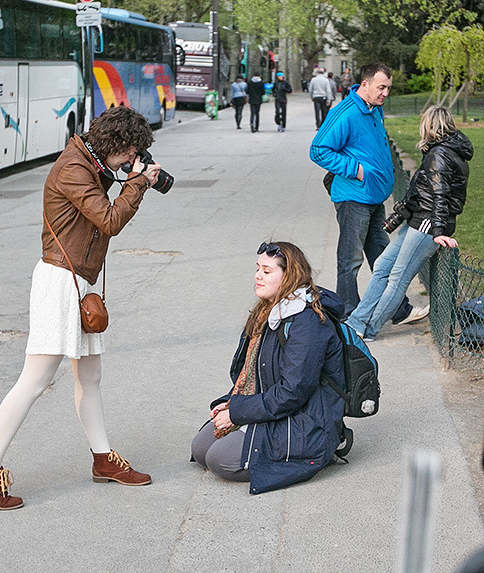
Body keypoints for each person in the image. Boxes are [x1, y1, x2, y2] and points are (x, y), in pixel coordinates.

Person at [0, 106, 160, 510]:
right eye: (130, 153)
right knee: (35, 380)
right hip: (59, 281)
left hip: (78, 280)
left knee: (90, 377)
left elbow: (104, 194)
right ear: (118, 145)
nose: (130, 161)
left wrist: (130, 174)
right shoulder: (73, 168)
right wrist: (138, 183)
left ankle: (104, 458)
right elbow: (108, 220)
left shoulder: (90, 162)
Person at [190, 242, 346, 495]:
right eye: (257, 269)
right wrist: (232, 402)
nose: (257, 276)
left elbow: (294, 392)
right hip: (276, 407)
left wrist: (239, 413)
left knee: (218, 460)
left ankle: (319, 453)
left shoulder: (306, 322)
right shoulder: (268, 311)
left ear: (288, 276)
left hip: (305, 419)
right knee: (200, 449)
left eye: (267, 271)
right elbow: (257, 375)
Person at [346, 106, 473, 340]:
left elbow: (441, 195)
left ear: (430, 125)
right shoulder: (441, 150)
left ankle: (369, 330)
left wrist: (438, 231)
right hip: (418, 220)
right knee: (383, 265)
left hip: (428, 223)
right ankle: (357, 321)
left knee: (397, 278)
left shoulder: (440, 155)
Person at [309, 63, 413, 323]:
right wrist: (356, 170)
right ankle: (348, 316)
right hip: (353, 197)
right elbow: (318, 150)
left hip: (374, 197)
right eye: (381, 87)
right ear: (364, 85)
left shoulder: (375, 109)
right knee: (350, 260)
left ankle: (397, 309)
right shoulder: (345, 113)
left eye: (388, 88)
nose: (385, 93)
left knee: (382, 256)